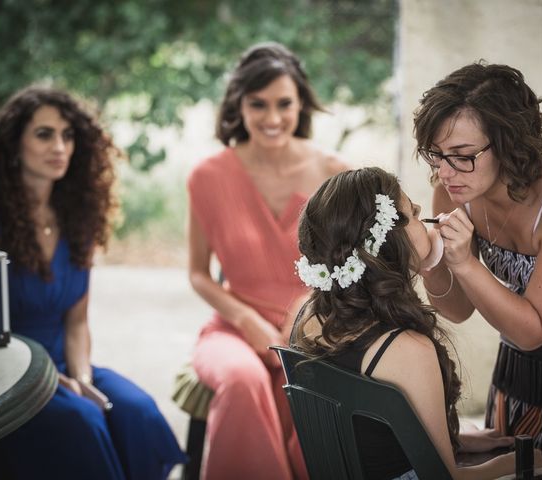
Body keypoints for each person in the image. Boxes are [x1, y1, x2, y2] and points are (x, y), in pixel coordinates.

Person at [413, 61, 542, 449]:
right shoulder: (455, 189)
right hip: (526, 359)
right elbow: (457, 309)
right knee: (520, 459)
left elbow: (536, 328)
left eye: (461, 154)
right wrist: (429, 261)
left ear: (508, 142)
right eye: (436, 154)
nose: (445, 172)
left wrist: (463, 262)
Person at [291, 167, 542, 480]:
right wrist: (516, 462)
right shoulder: (405, 349)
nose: (424, 215)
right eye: (412, 211)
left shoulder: (309, 318)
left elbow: (367, 433)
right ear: (389, 239)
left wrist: (455, 440)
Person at [0, 86, 186, 480]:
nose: (59, 146)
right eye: (44, 134)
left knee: (138, 411)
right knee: (83, 421)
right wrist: (54, 382)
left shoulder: (77, 219)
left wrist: (81, 378)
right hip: (9, 374)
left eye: (68, 135)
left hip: (66, 358)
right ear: (14, 145)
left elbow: (77, 321)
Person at [187, 41, 347, 479]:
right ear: (239, 105)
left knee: (315, 391)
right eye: (258, 104)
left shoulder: (334, 173)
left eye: (284, 104)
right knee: (242, 380)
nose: (272, 118)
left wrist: (308, 311)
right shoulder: (207, 177)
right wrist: (243, 319)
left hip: (313, 333)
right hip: (232, 333)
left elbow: (352, 271)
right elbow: (199, 274)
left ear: (301, 105)